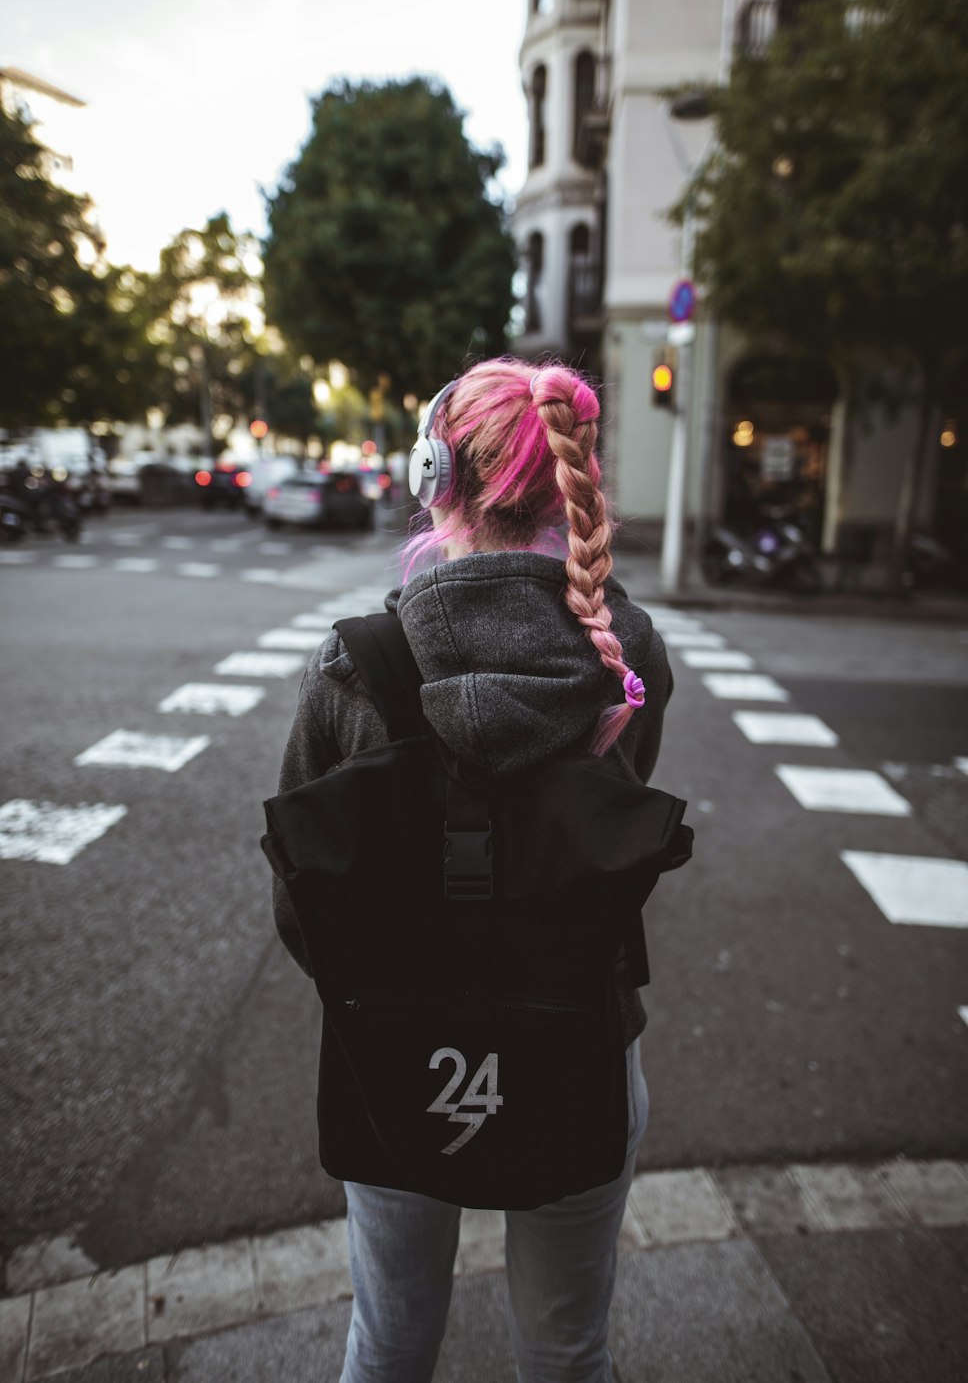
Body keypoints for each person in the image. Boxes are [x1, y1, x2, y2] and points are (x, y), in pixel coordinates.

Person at [272, 358, 673, 1383]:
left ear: (429, 476)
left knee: (391, 1344)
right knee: (567, 1348)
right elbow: (613, 847)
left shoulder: (354, 666)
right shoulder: (627, 659)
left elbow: (300, 907)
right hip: (578, 1038)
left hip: (393, 1052)